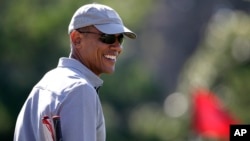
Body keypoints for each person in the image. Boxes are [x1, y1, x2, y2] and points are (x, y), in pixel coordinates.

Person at [14, 3, 136, 141]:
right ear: (77, 39)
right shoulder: (80, 89)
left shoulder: (47, 82)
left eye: (120, 39)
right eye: (107, 37)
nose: (118, 47)